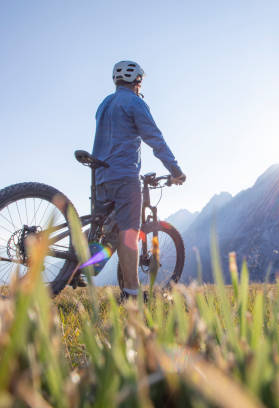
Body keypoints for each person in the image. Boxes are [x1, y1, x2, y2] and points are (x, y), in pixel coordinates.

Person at [84, 60, 185, 299]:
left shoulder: (104, 104)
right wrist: (176, 170)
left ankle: (79, 267)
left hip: (100, 178)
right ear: (137, 81)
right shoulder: (135, 102)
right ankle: (131, 292)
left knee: (106, 234)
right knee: (129, 232)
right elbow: (155, 139)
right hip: (124, 176)